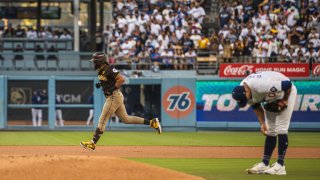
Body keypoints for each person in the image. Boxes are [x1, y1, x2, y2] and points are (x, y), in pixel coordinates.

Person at [80, 52, 162, 151]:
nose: (94, 63)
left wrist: (111, 89)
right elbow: (109, 80)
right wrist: (102, 85)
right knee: (126, 119)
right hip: (114, 96)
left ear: (100, 61)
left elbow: (121, 79)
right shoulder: (101, 70)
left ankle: (93, 143)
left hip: (113, 97)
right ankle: (152, 123)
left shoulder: (108, 68)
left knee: (103, 119)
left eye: (95, 61)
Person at [232, 71, 297, 175]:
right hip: (270, 97)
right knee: (270, 130)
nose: (245, 100)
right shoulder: (242, 91)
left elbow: (287, 85)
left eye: (245, 98)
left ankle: (280, 166)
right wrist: (262, 123)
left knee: (281, 128)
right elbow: (257, 107)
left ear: (246, 91)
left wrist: (285, 100)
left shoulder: (260, 85)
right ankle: (265, 163)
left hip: (286, 92)